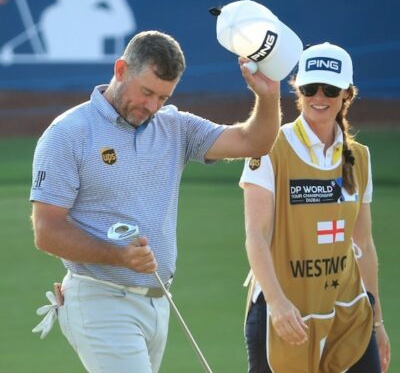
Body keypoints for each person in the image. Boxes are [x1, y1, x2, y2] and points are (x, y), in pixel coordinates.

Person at [30, 30, 280, 373]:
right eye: (146, 92)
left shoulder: (174, 127)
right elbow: (47, 231)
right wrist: (119, 256)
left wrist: (267, 97)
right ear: (121, 70)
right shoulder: (68, 133)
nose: (152, 106)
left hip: (157, 303)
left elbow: (254, 142)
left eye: (163, 97)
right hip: (100, 299)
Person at [240, 42, 391, 373]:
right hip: (287, 313)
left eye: (330, 89)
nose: (319, 97)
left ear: (346, 94)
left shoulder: (359, 158)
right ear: (298, 90)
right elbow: (256, 233)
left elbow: (363, 245)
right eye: (309, 88)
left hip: (349, 313)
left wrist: (377, 323)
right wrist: (277, 304)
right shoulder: (269, 146)